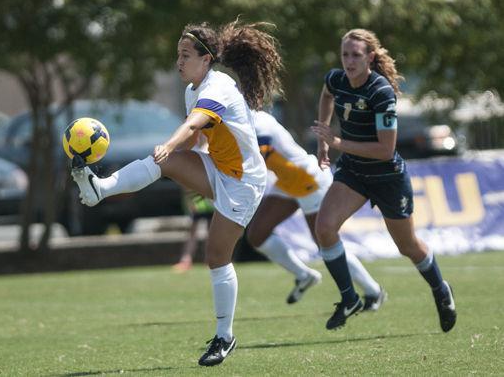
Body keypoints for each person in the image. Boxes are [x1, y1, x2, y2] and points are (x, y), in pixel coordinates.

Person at [71, 20, 283, 366]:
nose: (178, 62)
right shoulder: (192, 90)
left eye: (185, 55)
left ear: (206, 58)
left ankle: (224, 337)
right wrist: (182, 162)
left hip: (244, 183)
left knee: (216, 257)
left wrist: (169, 146)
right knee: (167, 163)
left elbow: (194, 125)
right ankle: (100, 189)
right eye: (177, 55)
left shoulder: (219, 87)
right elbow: (198, 137)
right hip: (218, 169)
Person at [311, 28, 457, 332]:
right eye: (345, 55)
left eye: (356, 55)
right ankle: (349, 298)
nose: (349, 61)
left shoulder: (380, 92)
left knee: (408, 246)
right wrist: (323, 139)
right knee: (324, 228)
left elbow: (385, 149)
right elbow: (326, 94)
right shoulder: (337, 79)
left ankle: (441, 289)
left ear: (370, 58)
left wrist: (336, 141)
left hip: (387, 177)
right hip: (354, 172)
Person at [246, 109, 385, 308]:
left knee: (325, 244)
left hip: (307, 178)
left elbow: (258, 154)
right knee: (257, 234)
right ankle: (304, 275)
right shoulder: (238, 123)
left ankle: (373, 291)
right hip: (289, 180)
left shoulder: (259, 120)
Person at [172, 191, 214, 273]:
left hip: (211, 205)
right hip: (198, 205)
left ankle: (210, 260)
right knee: (192, 233)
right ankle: (186, 261)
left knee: (211, 233)